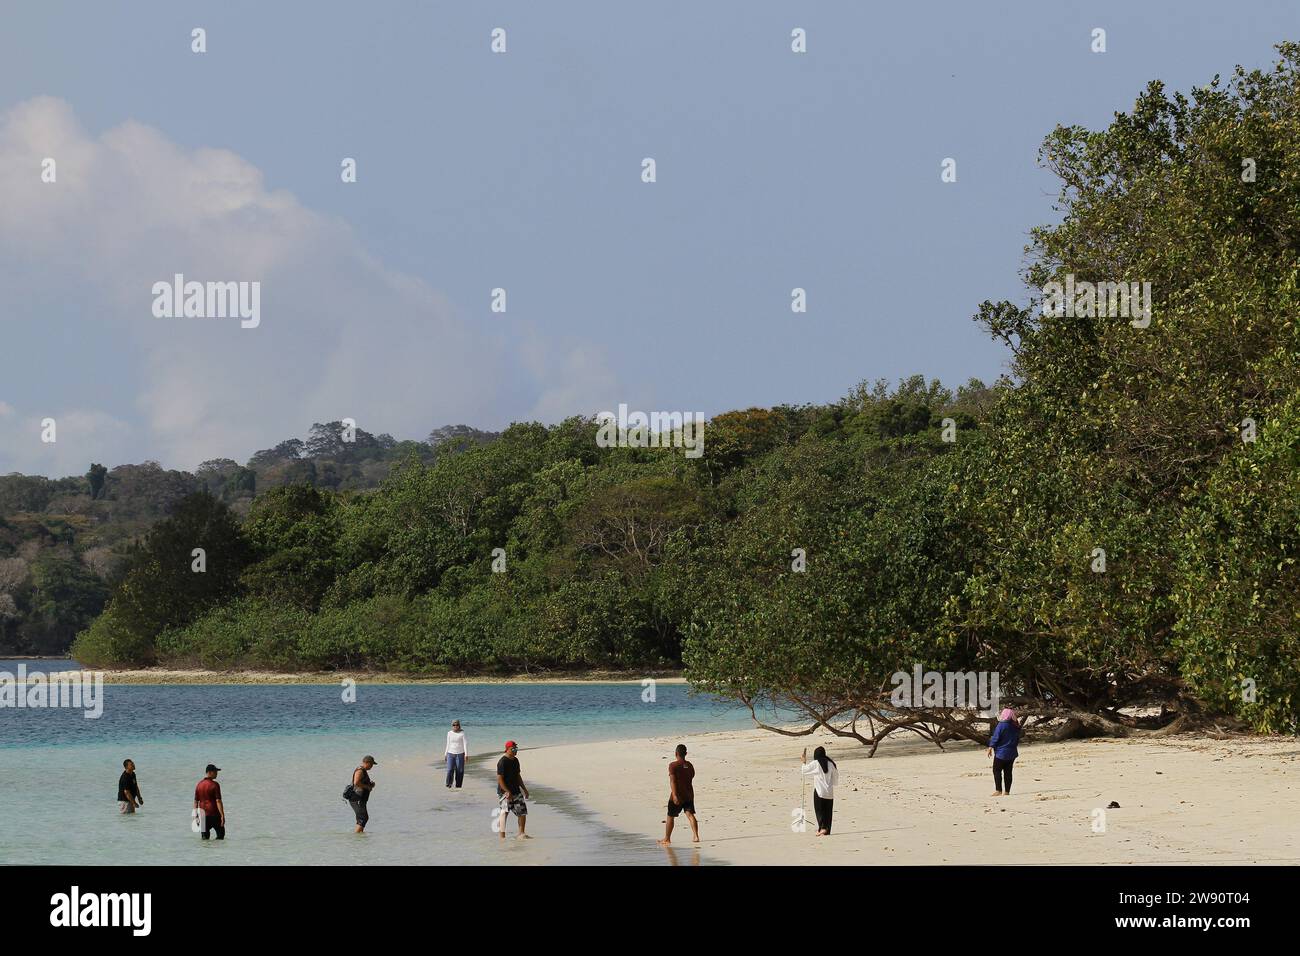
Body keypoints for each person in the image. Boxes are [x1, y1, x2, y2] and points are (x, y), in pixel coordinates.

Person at [658, 743, 699, 845]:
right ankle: (696, 836)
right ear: (686, 753)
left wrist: (675, 795)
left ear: (676, 753)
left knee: (670, 816)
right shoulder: (689, 765)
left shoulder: (673, 765)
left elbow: (672, 781)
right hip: (689, 794)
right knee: (690, 814)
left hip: (678, 795)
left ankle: (667, 838)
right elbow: (692, 776)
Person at [799, 745, 838, 836]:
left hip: (819, 791)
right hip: (829, 792)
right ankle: (826, 829)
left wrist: (803, 761)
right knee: (828, 811)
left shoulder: (816, 763)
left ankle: (822, 828)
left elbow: (804, 771)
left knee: (819, 810)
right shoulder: (831, 763)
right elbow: (835, 780)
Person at [495, 741, 530, 839]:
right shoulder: (502, 762)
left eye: (516, 749)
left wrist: (524, 789)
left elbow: (518, 776)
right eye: (513, 749)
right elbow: (499, 779)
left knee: (522, 812)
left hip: (516, 791)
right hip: (504, 792)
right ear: (507, 749)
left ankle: (521, 833)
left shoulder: (516, 760)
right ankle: (502, 836)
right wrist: (506, 791)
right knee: (504, 813)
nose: (515, 751)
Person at [987, 708, 1021, 796]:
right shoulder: (1015, 725)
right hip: (1012, 753)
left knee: (996, 770)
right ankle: (1007, 791)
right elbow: (1017, 738)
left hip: (1001, 753)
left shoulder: (1001, 725)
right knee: (1008, 772)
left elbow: (996, 737)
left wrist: (990, 747)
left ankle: (998, 790)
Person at [194, 764, 225, 840]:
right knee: (221, 835)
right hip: (214, 814)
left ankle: (206, 851)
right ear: (210, 772)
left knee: (204, 838)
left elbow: (195, 802)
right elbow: (218, 801)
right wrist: (222, 815)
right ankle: (217, 851)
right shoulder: (215, 785)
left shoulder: (199, 785)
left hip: (202, 815)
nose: (217, 773)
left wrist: (196, 816)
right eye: (215, 772)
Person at [347, 755, 377, 833]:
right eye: (371, 764)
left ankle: (359, 838)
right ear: (366, 762)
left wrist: (370, 785)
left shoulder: (364, 771)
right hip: (356, 799)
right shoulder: (360, 770)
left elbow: (362, 783)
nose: (372, 767)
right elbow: (356, 782)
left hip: (361, 799)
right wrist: (367, 787)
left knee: (362, 818)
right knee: (363, 817)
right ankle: (357, 836)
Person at [444, 720, 468, 789]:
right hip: (450, 753)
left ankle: (458, 786)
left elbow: (465, 744)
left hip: (460, 754)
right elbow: (447, 744)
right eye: (454, 725)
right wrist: (445, 754)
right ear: (452, 726)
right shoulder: (449, 733)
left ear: (459, 725)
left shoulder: (462, 733)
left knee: (460, 771)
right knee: (449, 770)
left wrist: (466, 754)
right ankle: (448, 784)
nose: (455, 726)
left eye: (457, 725)